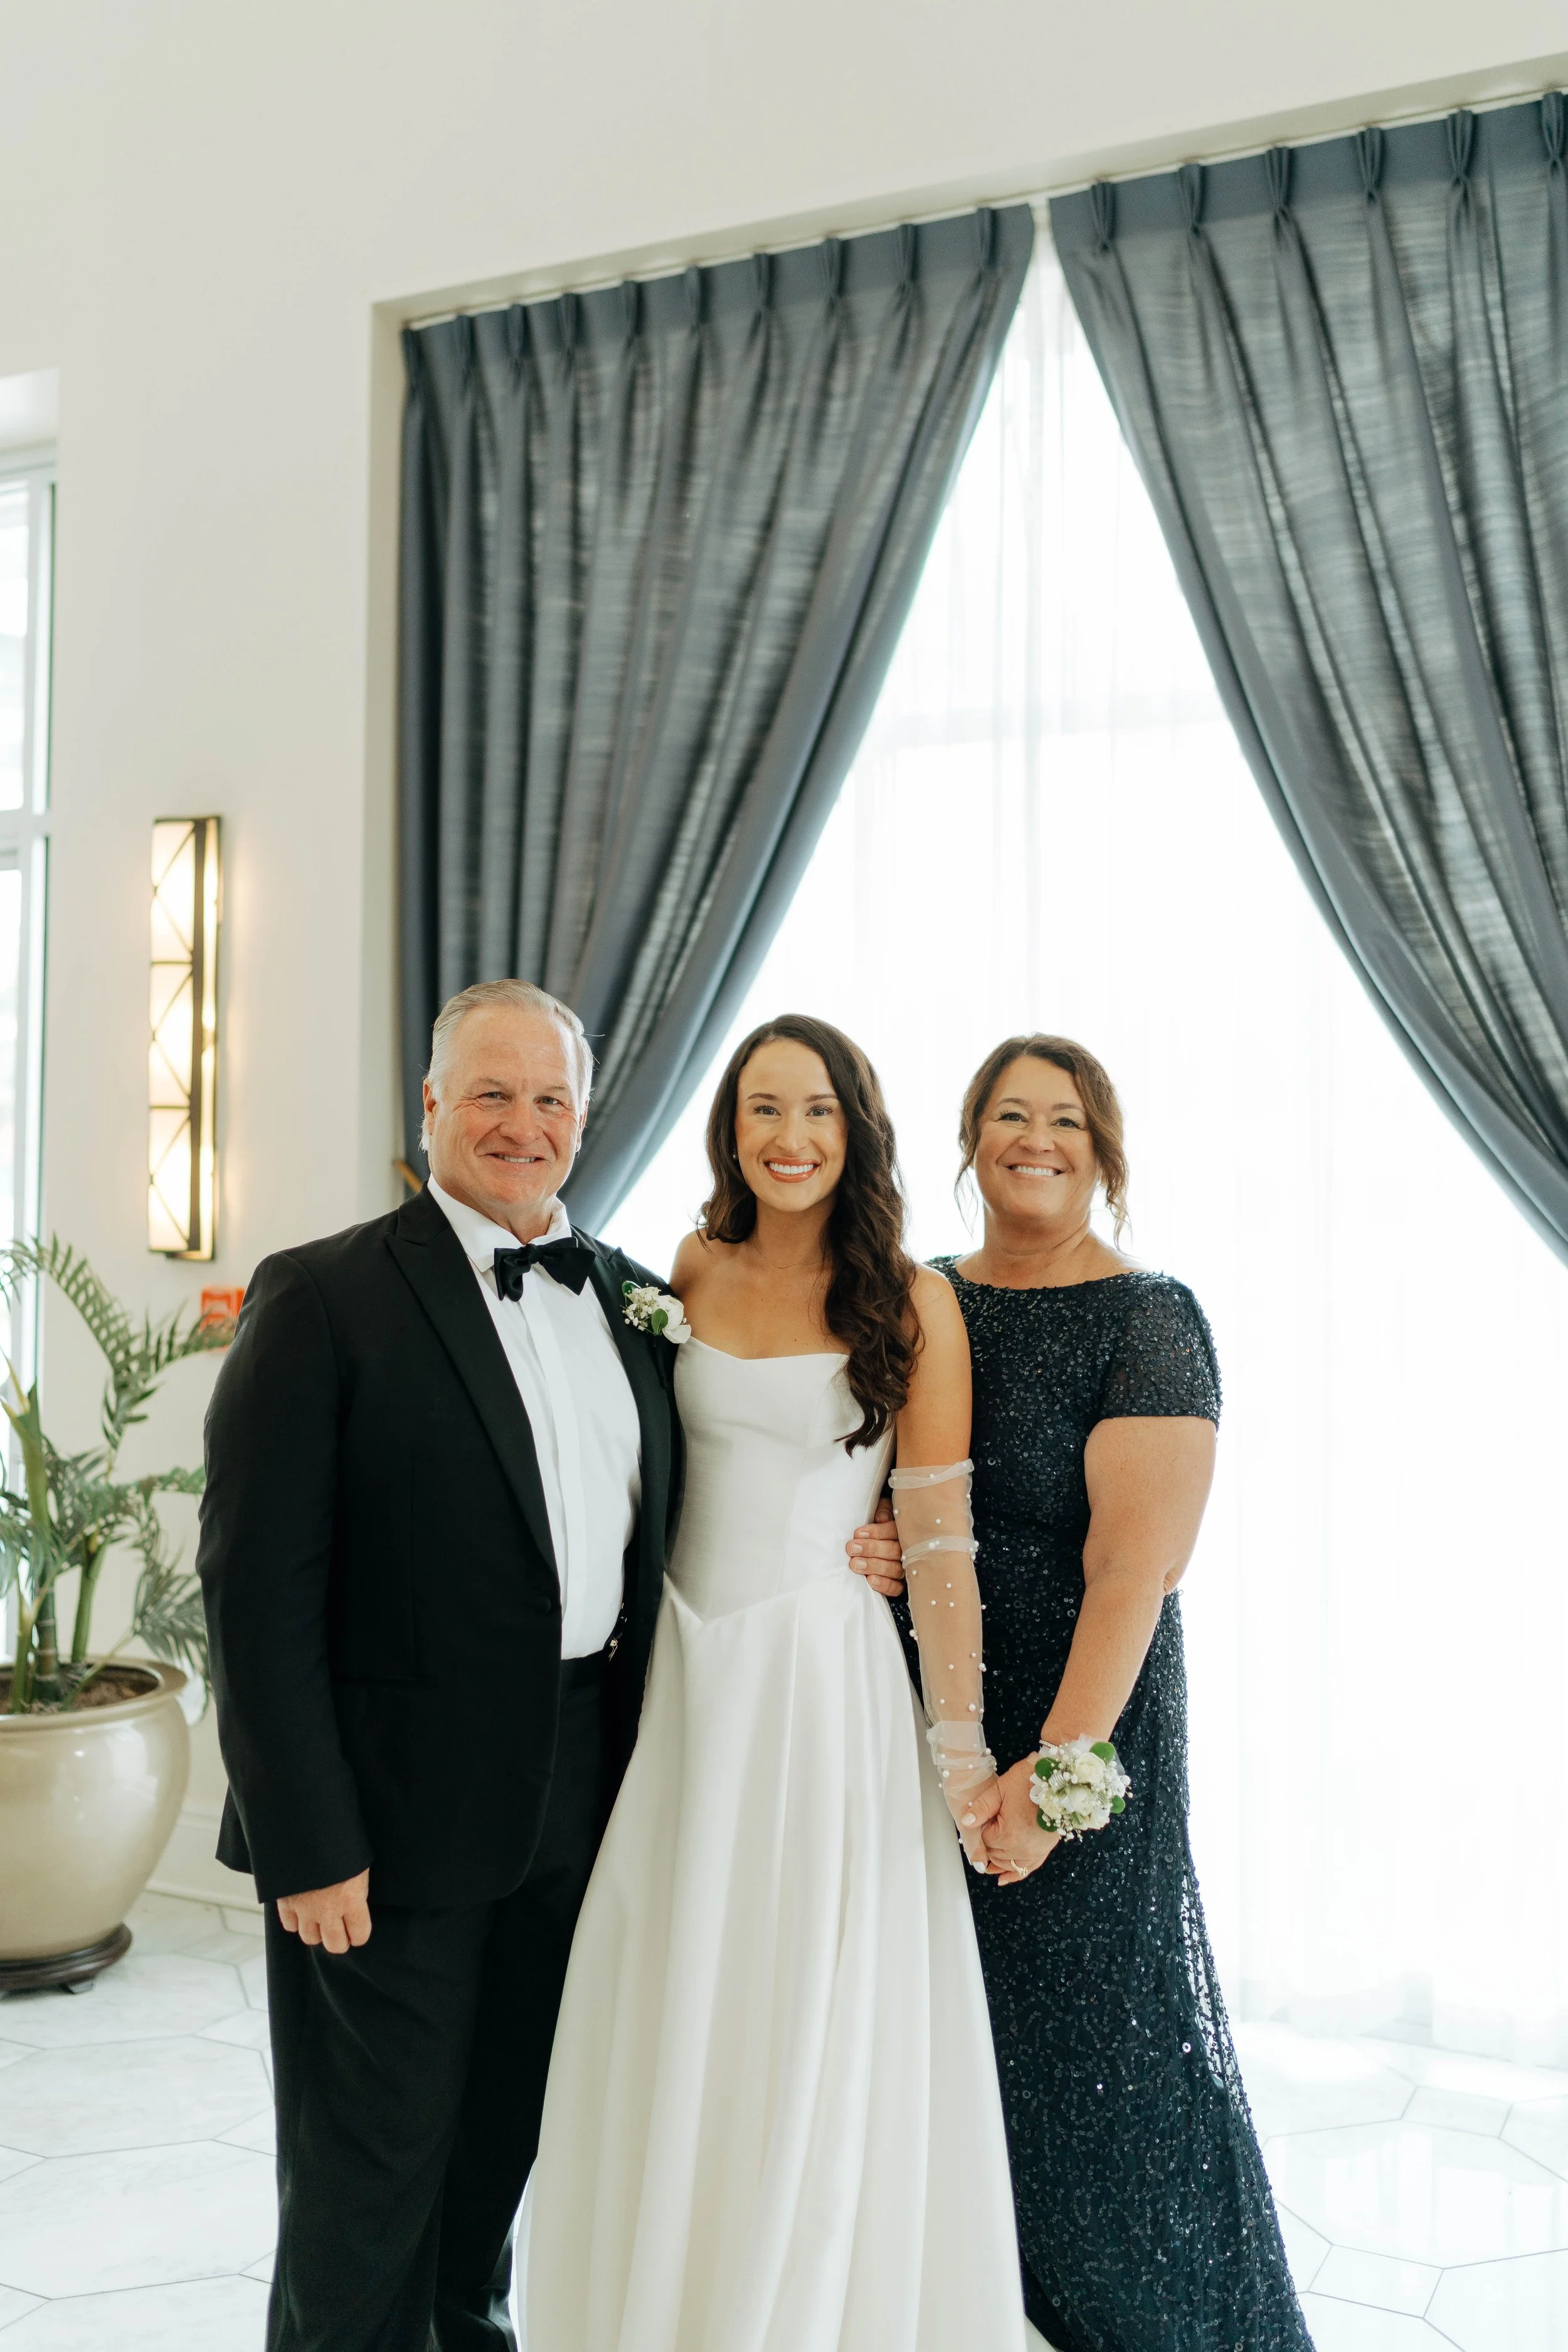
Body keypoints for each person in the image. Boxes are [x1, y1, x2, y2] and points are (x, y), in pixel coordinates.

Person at [525, 1014, 1029, 2352]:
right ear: (730, 1128)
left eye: (816, 1110)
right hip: (686, 1669)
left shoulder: (910, 1300)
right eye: (762, 1109)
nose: (789, 1138)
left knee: (807, 1991)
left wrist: (962, 1751)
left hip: (818, 1679)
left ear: (855, 1128)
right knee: (674, 1966)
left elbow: (935, 1535)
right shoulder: (690, 1264)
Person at [196, 977, 684, 2352]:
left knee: (495, 2164)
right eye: (489, 1092)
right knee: (366, 2184)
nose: (520, 1124)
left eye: (548, 1099)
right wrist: (306, 1838)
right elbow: (254, 1589)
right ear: (429, 1106)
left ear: (583, 1118)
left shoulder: (637, 1301)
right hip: (386, 1824)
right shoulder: (324, 1295)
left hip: (588, 1797)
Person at [927, 1032, 1310, 2352]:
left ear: (1103, 1156)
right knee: (958, 2040)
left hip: (1082, 1712)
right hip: (927, 1715)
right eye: (1011, 1115)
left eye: (1067, 1123)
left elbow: (1132, 1571)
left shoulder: (1147, 1317)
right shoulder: (921, 1297)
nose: (1036, 1141)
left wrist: (1055, 1777)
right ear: (968, 1134)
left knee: (1105, 2051)